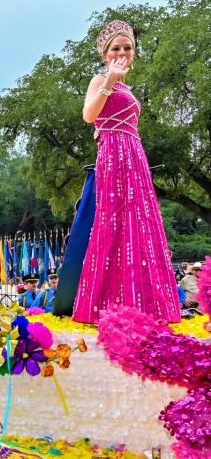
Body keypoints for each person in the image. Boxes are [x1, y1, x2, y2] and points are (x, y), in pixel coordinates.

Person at [72, 20, 180, 324]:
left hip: (135, 154)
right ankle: (103, 304)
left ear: (133, 52)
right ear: (106, 54)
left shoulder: (128, 88)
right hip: (114, 154)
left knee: (141, 221)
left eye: (127, 47)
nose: (122, 51)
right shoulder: (100, 79)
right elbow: (89, 115)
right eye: (115, 48)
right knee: (115, 218)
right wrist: (108, 81)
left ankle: (147, 304)